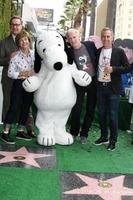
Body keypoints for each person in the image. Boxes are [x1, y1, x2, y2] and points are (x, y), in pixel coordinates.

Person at [94, 27, 133, 151]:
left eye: (108, 36)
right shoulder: (98, 51)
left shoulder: (118, 52)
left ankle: (113, 140)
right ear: (101, 38)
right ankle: (104, 136)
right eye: (104, 36)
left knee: (112, 115)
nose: (106, 38)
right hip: (100, 87)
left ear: (112, 38)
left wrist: (113, 69)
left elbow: (127, 68)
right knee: (101, 114)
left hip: (113, 88)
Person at [0, 16, 35, 137]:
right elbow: (1, 60)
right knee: (10, 104)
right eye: (13, 24)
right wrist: (10, 57)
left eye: (17, 24)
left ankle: (27, 129)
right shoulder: (4, 42)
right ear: (10, 26)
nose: (15, 26)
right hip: (10, 79)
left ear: (21, 25)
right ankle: (6, 130)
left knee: (27, 106)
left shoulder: (32, 51)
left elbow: (36, 66)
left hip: (28, 82)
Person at [66, 28, 97, 144]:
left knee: (90, 109)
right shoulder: (69, 52)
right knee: (77, 108)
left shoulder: (90, 45)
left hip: (93, 81)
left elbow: (98, 58)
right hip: (79, 83)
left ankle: (84, 134)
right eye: (70, 38)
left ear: (79, 36)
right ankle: (74, 132)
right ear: (68, 40)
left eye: (74, 37)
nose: (73, 40)